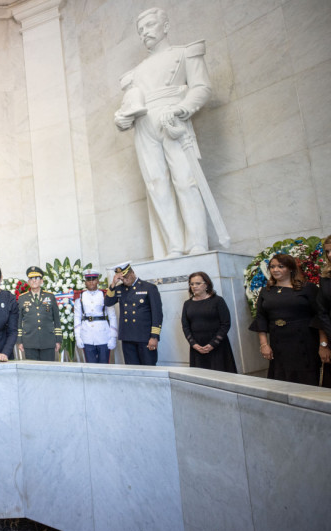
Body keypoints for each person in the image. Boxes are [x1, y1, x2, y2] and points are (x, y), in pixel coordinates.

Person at [114, 8, 227, 259]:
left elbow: (201, 87)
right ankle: (173, 245)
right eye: (140, 30)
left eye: (150, 25)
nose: (145, 32)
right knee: (157, 185)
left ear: (165, 26)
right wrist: (123, 120)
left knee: (186, 181)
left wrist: (182, 108)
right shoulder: (136, 72)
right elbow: (130, 105)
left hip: (172, 118)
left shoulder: (185, 53)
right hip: (144, 126)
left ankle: (197, 242)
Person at [250, 254, 321, 386]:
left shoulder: (307, 288)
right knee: (281, 381)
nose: (275, 270)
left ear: (291, 268)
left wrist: (323, 344)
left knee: (306, 381)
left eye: (280, 266)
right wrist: (264, 344)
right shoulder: (266, 291)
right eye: (272, 267)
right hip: (278, 341)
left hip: (304, 340)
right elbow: (261, 318)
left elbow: (320, 316)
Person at [104, 262, 162, 365]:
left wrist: (154, 337)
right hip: (127, 337)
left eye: (126, 277)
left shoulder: (148, 287)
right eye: (122, 278)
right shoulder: (120, 289)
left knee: (149, 368)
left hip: (145, 337)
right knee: (132, 370)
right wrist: (113, 284)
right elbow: (108, 302)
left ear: (132, 273)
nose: (124, 280)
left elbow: (157, 314)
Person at [181, 271, 237, 373]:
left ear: (206, 284)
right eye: (192, 284)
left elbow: (225, 324)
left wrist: (213, 344)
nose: (194, 286)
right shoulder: (187, 304)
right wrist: (193, 344)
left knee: (221, 376)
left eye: (198, 283)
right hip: (197, 346)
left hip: (217, 345)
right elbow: (185, 326)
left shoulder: (218, 301)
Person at [17, 266, 62, 361]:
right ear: (28, 282)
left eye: (37, 278)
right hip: (29, 341)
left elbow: (57, 319)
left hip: (48, 340)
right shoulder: (22, 298)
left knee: (48, 370)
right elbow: (19, 321)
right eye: (31, 278)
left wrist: (58, 340)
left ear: (41, 281)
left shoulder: (50, 296)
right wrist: (19, 341)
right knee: (32, 372)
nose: (34, 281)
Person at [74, 269, 117, 364]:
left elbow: (112, 317)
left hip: (104, 336)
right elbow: (77, 318)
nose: (91, 282)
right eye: (88, 280)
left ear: (98, 281)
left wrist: (113, 337)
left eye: (93, 279)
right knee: (90, 366)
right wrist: (78, 336)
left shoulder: (105, 295)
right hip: (87, 336)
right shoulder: (80, 297)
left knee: (104, 365)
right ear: (85, 282)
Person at [315, 235, 331, 387]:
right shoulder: (325, 279)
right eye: (327, 252)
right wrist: (324, 344)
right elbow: (322, 312)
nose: (330, 255)